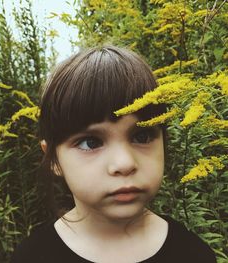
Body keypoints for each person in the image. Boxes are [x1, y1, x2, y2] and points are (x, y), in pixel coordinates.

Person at [11, 45, 216, 263]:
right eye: (90, 143)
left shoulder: (193, 254)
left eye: (142, 136)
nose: (124, 163)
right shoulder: (32, 257)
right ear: (54, 159)